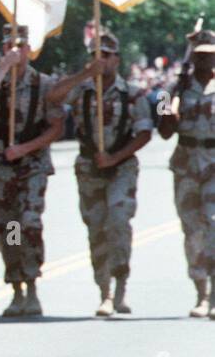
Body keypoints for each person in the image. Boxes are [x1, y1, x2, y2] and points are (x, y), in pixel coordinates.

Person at [48, 30, 153, 316]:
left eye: (105, 55)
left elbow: (145, 133)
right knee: (96, 229)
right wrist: (83, 74)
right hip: (89, 167)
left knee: (118, 220)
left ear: (116, 60)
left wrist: (116, 156)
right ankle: (104, 291)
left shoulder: (132, 93)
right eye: (95, 55)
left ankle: (120, 284)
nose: (100, 60)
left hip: (121, 166)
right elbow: (53, 97)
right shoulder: (82, 89)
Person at [0, 24, 65, 317]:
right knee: (10, 228)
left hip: (32, 166)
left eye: (21, 46)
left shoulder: (44, 84)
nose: (15, 50)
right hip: (2, 169)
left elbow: (56, 128)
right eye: (9, 46)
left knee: (29, 223)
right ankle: (16, 287)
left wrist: (25, 149)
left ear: (30, 49)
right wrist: (3, 68)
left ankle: (33, 285)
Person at [157, 26, 215, 318]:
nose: (205, 62)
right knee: (192, 230)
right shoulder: (173, 90)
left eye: (210, 56)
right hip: (187, 165)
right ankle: (201, 293)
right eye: (200, 56)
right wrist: (169, 113)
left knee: (214, 227)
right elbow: (164, 132)